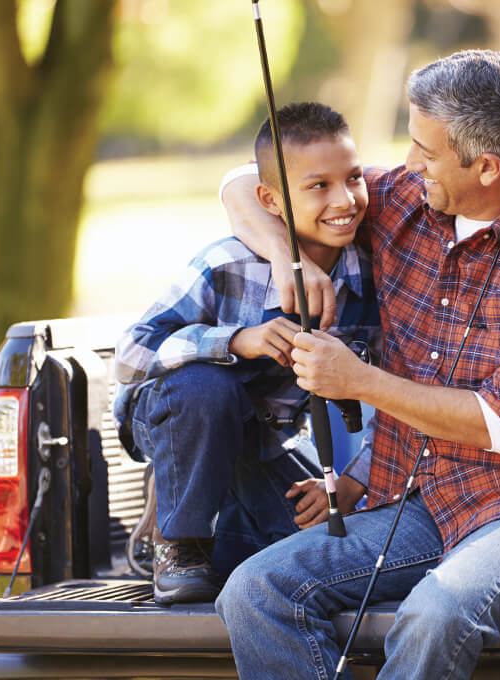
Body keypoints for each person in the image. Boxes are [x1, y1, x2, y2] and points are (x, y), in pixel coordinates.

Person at [215, 50, 500, 679]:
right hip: (427, 501)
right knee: (254, 591)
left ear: (486, 166)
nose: (409, 164)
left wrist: (359, 382)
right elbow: (242, 182)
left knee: (436, 612)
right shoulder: (413, 200)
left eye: (425, 151)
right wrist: (287, 258)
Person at [113, 102, 381, 605]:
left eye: (354, 178)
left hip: (268, 439)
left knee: (308, 552)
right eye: (318, 186)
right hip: (174, 415)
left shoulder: (369, 279)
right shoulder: (228, 263)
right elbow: (129, 355)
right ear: (270, 200)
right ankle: (176, 541)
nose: (344, 199)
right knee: (207, 387)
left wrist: (353, 481)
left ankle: (219, 541)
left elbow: (396, 392)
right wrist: (234, 341)